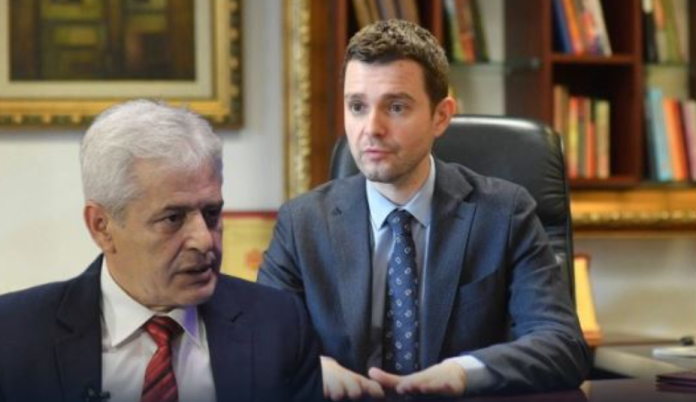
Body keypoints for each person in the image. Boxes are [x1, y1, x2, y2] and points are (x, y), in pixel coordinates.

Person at [258, 19, 590, 400]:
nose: (372, 128)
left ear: (441, 116)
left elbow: (562, 345)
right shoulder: (301, 224)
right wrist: (313, 369)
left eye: (396, 107)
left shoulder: (505, 214)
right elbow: (258, 342)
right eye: (357, 106)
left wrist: (463, 373)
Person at [0, 100, 323, 402]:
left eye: (212, 213)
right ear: (101, 227)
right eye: (173, 218)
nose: (204, 241)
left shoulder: (279, 327)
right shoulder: (14, 335)